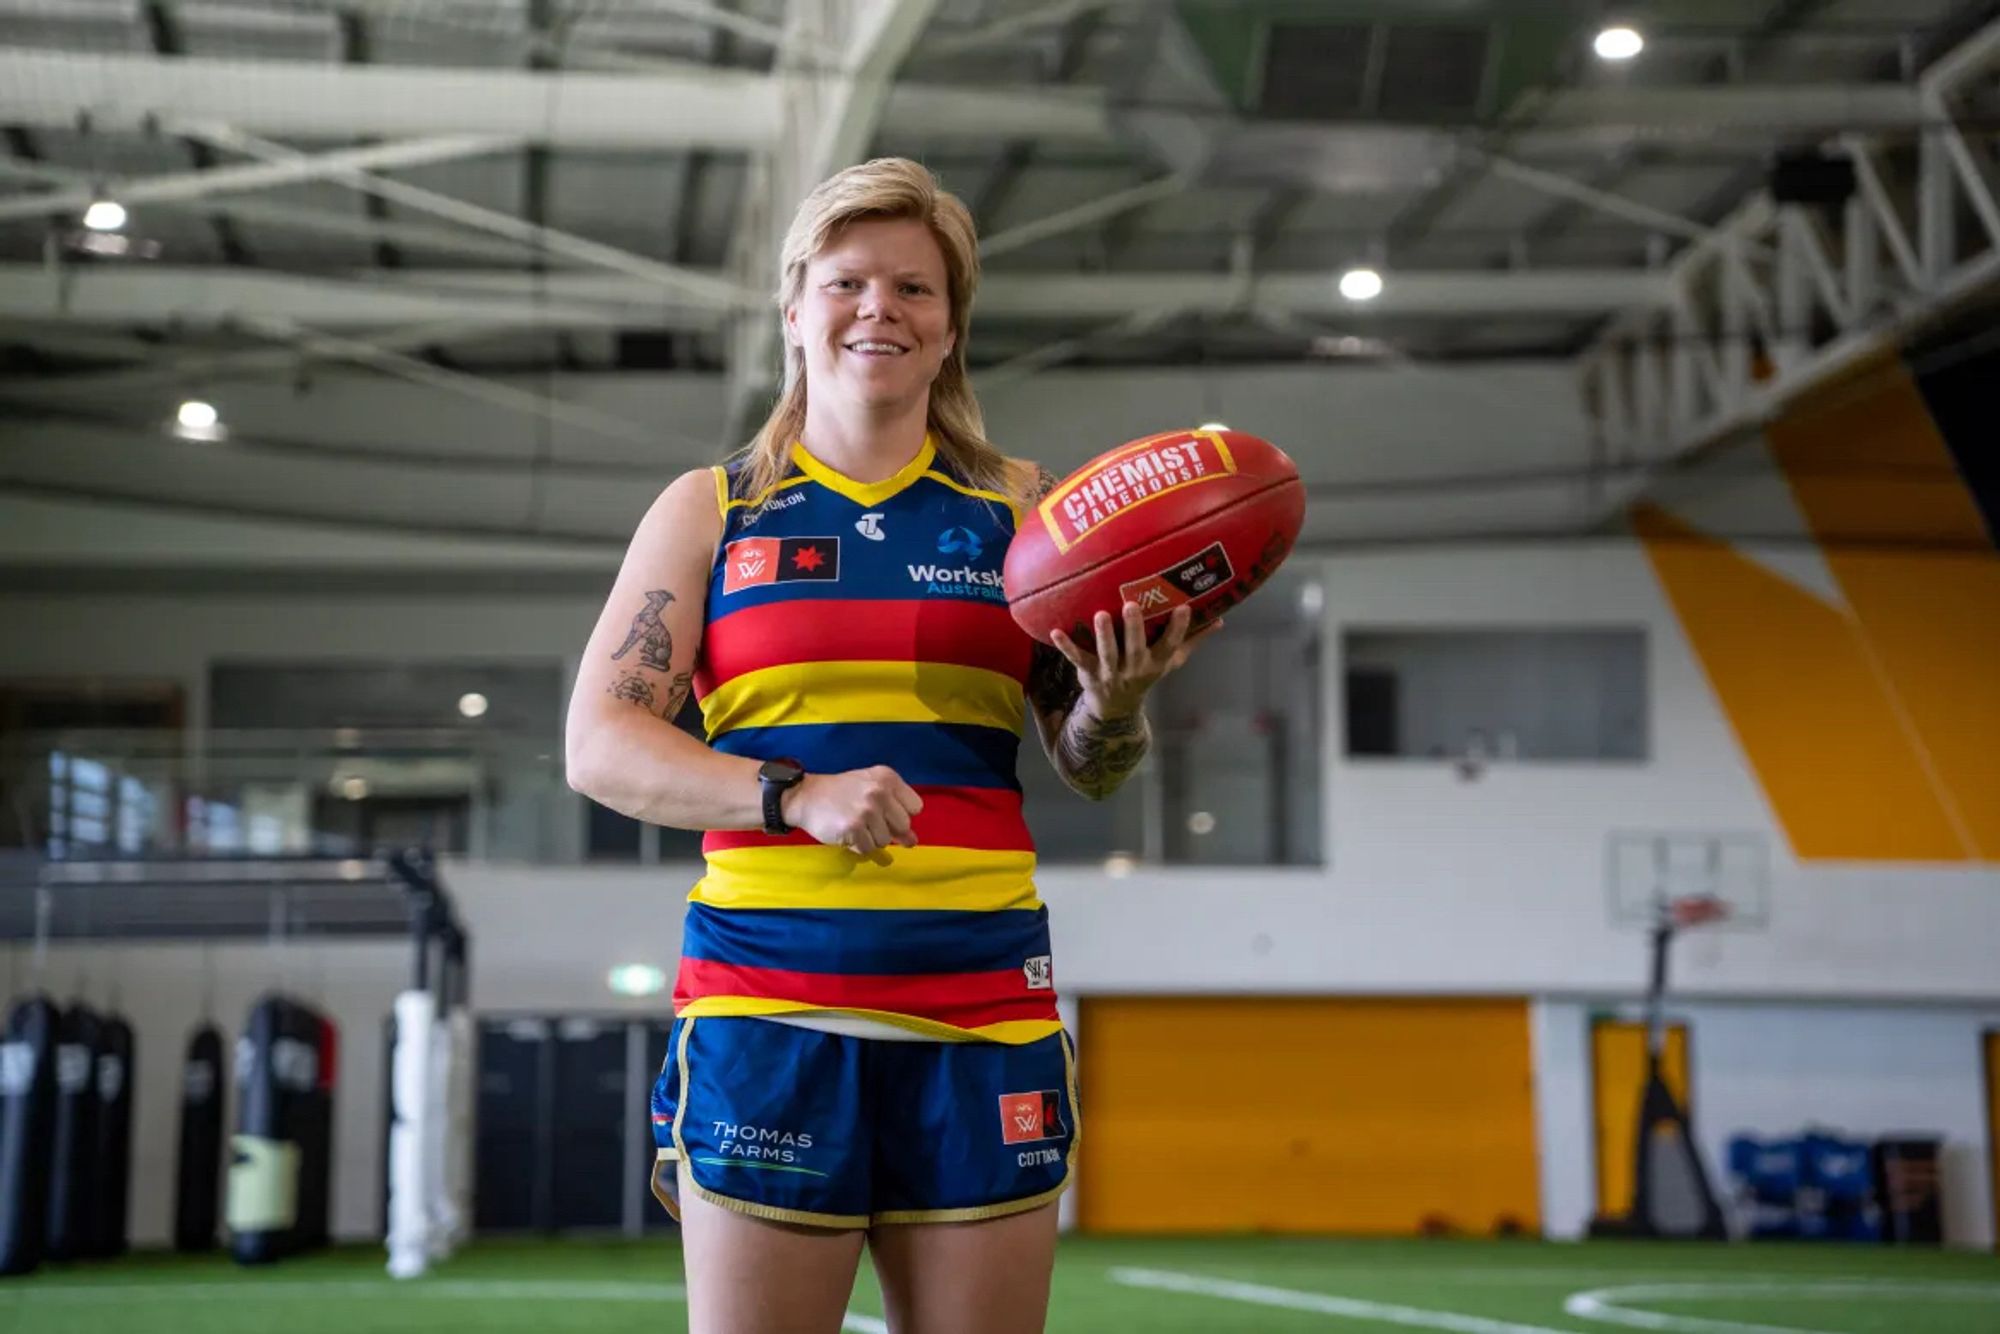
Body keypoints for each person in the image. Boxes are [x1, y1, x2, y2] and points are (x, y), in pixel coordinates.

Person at [564, 156, 1215, 1334]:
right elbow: (599, 744)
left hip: (985, 1013)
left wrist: (1115, 709)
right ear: (794, 307)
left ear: (951, 323)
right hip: (769, 1010)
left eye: (914, 288)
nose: (880, 309)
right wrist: (790, 792)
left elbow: (1091, 762)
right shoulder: (715, 508)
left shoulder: (1026, 513)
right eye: (848, 281)